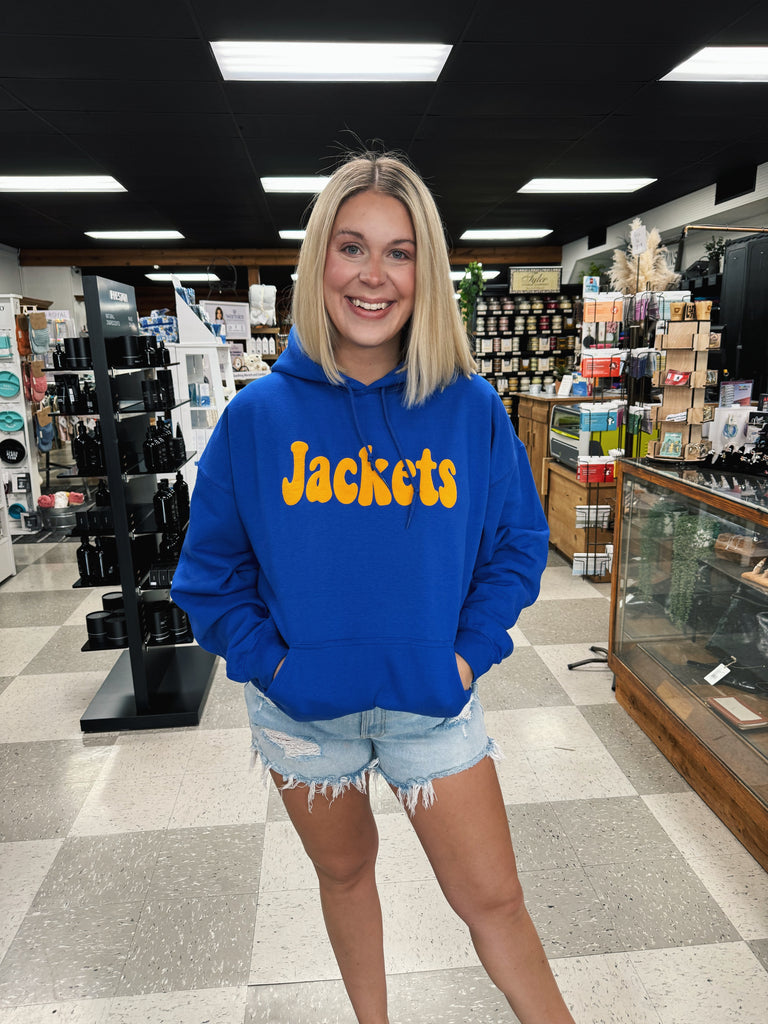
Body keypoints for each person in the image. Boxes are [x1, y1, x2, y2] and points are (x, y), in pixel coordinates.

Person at [171, 151, 575, 1024]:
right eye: (352, 247)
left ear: (424, 272)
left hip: (435, 705)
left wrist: (465, 659)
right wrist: (277, 671)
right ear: (319, 260)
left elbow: (517, 546)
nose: (374, 275)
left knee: (494, 902)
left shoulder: (469, 408)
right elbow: (209, 577)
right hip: (300, 719)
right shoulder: (257, 418)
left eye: (400, 252)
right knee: (346, 877)